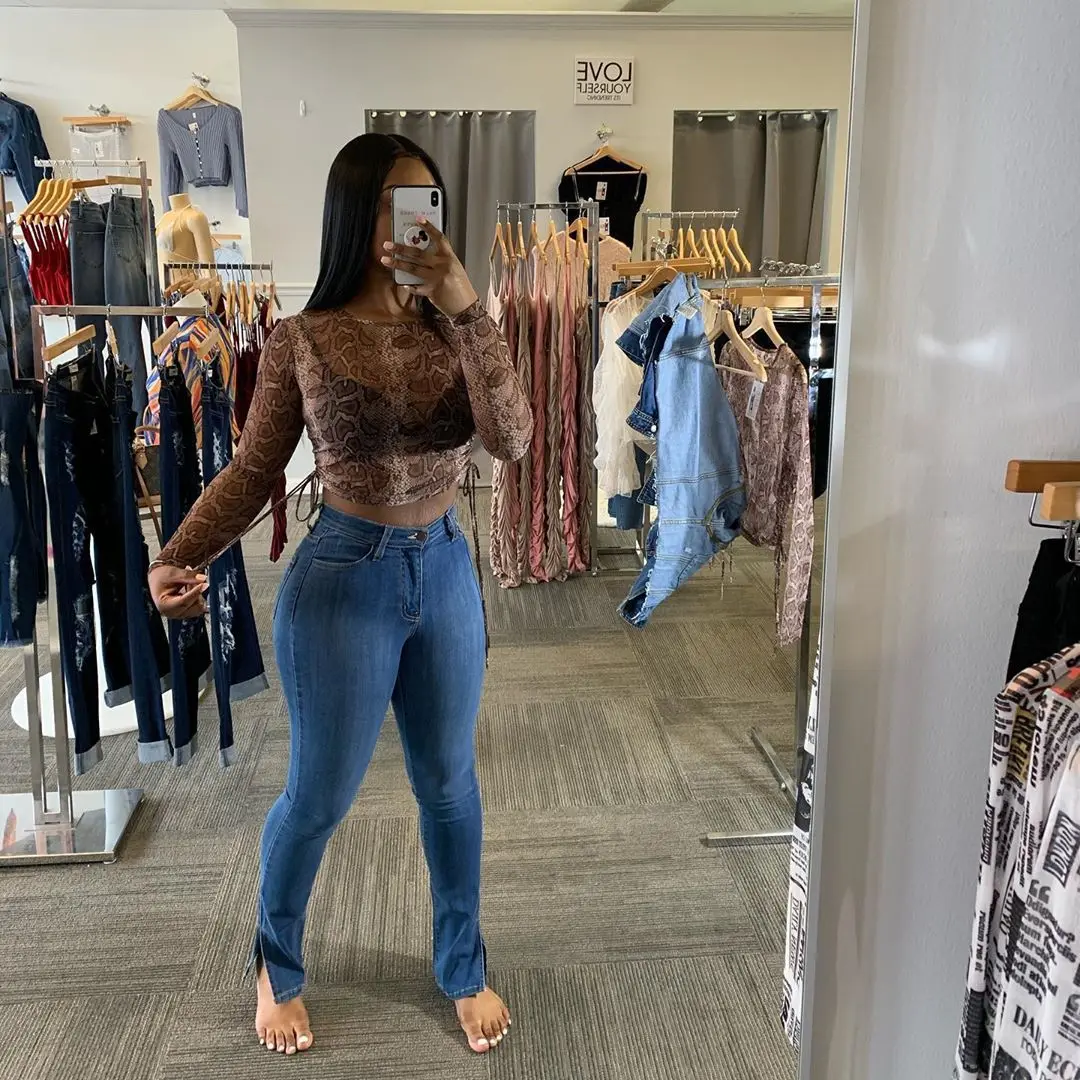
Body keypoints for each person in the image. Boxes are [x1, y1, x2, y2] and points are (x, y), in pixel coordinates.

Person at [148, 133, 533, 1057]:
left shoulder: (459, 327)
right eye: (399, 202)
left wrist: (467, 306)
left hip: (446, 569)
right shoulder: (300, 338)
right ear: (356, 214)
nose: (417, 222)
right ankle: (275, 967)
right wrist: (180, 551)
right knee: (318, 796)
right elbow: (254, 470)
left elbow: (514, 439)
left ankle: (463, 965)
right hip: (342, 581)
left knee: (450, 786)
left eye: (429, 202)